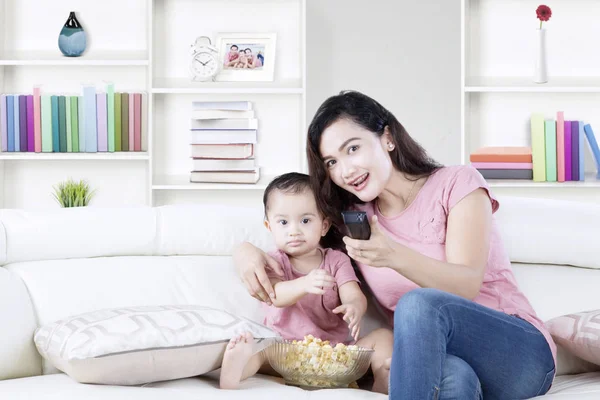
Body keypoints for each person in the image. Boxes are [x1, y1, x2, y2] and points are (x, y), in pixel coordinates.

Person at [233, 91, 557, 399]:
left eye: (352, 149)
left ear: (387, 138)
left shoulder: (458, 184)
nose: (346, 170)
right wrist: (245, 252)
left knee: (417, 305)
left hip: (517, 353)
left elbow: (467, 284)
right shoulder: (354, 219)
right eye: (330, 162)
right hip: (438, 362)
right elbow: (300, 239)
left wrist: (394, 256)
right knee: (455, 381)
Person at [221, 172, 393, 393]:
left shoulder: (336, 260)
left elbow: (352, 292)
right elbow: (275, 295)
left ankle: (383, 376)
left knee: (384, 337)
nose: (294, 230)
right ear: (269, 227)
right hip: (283, 351)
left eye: (305, 220)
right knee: (259, 348)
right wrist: (304, 284)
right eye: (283, 222)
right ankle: (236, 370)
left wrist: (354, 307)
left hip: (333, 353)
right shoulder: (274, 261)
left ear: (323, 225)